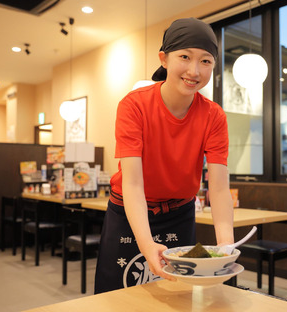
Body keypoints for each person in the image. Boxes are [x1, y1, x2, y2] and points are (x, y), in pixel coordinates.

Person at [94, 17, 235, 294]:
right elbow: (134, 184)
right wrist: (146, 245)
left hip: (179, 214)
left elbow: (218, 190)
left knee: (180, 296)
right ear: (165, 59)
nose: (194, 70)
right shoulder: (134, 105)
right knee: (118, 295)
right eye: (185, 57)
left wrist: (226, 248)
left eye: (206, 61)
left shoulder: (213, 115)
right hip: (129, 211)